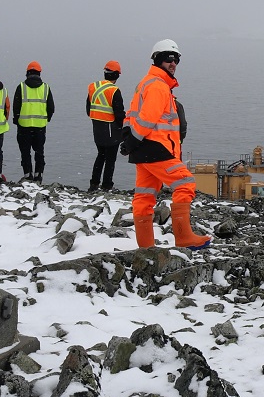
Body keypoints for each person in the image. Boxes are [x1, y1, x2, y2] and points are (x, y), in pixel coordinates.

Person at [121, 39, 210, 249]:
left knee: (144, 197)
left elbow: (131, 115)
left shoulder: (145, 83)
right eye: (169, 59)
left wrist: (128, 139)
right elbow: (147, 118)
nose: (173, 63)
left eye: (176, 59)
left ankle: (146, 247)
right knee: (185, 183)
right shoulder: (158, 86)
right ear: (158, 60)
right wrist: (133, 139)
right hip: (156, 149)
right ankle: (183, 237)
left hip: (143, 150)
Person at [13, 61, 56, 182]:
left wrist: (17, 120)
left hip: (24, 126)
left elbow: (16, 106)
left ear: (27, 73)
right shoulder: (46, 88)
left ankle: (28, 174)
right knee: (39, 152)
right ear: (39, 73)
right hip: (40, 126)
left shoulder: (21, 87)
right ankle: (39, 175)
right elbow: (51, 108)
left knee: (25, 152)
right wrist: (46, 119)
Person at [87, 60, 125, 191]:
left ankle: (94, 184)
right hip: (111, 130)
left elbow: (88, 109)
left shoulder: (93, 86)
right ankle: (107, 185)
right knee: (110, 159)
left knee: (100, 155)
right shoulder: (114, 91)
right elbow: (119, 114)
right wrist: (123, 129)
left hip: (97, 128)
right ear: (117, 75)